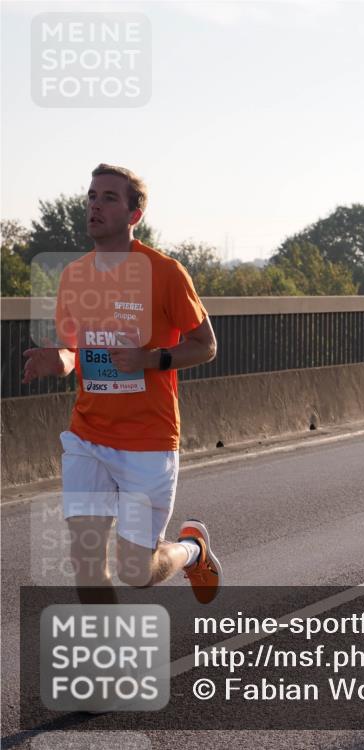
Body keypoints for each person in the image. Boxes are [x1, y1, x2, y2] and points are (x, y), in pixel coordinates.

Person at [22, 164, 222, 606]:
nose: (95, 204)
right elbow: (75, 349)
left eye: (109, 197)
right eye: (92, 195)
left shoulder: (165, 273)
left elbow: (205, 346)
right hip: (87, 436)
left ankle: (192, 551)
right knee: (87, 561)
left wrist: (152, 359)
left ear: (135, 213)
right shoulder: (75, 276)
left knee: (137, 572)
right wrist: (59, 360)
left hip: (148, 441)